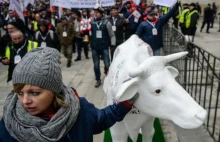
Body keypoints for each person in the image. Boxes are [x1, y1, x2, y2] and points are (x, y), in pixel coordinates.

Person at [0, 47, 137, 142]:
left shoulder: (80, 109)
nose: (25, 101)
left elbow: (100, 120)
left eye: (34, 93)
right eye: (19, 93)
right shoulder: (9, 123)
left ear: (54, 90)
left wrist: (124, 104)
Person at [91, 5, 116, 87]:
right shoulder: (92, 21)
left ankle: (107, 74)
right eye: (95, 12)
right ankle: (98, 79)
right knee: (96, 64)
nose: (95, 14)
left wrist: (112, 44)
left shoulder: (107, 22)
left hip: (104, 46)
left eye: (97, 12)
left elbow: (112, 35)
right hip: (95, 47)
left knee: (107, 64)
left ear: (101, 13)